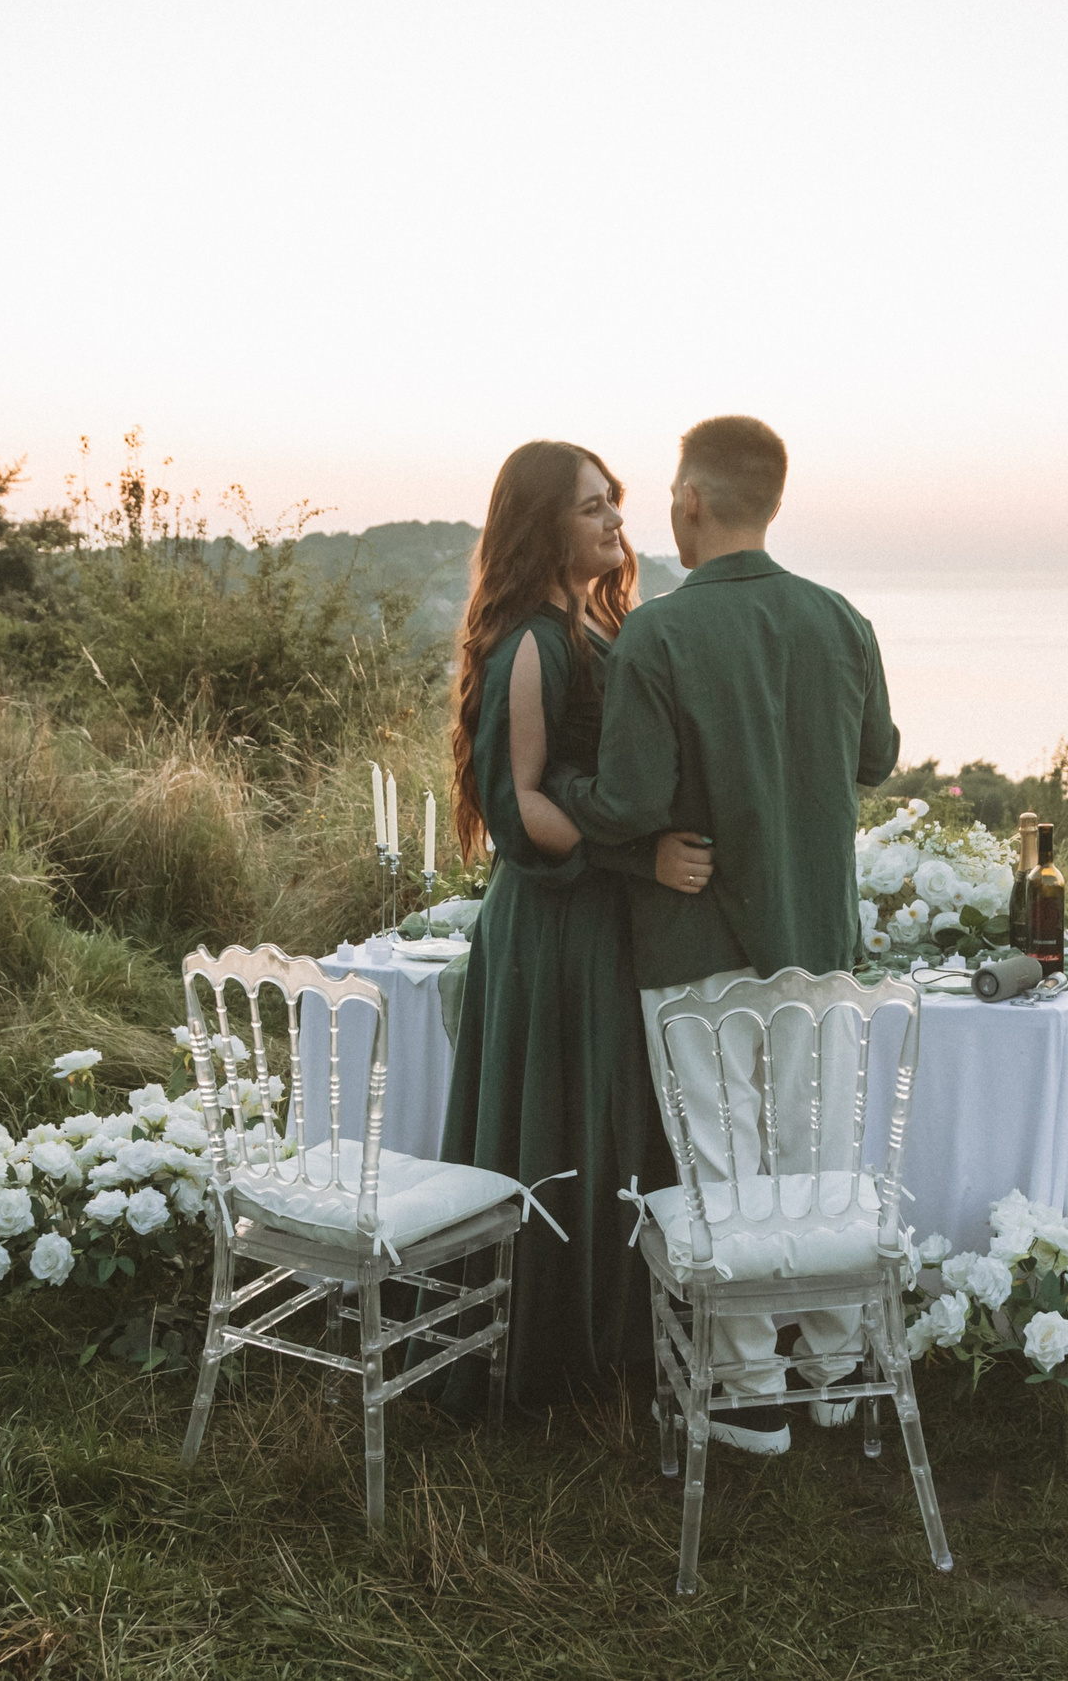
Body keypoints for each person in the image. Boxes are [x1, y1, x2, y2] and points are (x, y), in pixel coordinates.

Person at [548, 415, 899, 1455]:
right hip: (818, 941)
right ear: (773, 500)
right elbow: (873, 756)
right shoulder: (841, 619)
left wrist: (566, 791)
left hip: (694, 945)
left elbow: (631, 796)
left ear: (691, 501)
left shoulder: (657, 633)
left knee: (725, 1165)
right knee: (819, 1151)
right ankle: (836, 1372)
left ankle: (748, 1389)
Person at [439, 440, 713, 1413]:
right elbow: (519, 809)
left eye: (615, 503)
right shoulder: (531, 645)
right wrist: (638, 859)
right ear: (543, 522)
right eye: (592, 506)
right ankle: (555, 1355)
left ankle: (615, 1345)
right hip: (555, 924)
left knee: (610, 1119)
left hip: (599, 920)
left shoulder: (592, 626)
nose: (613, 521)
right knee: (567, 1121)